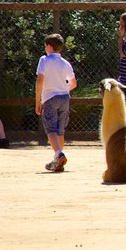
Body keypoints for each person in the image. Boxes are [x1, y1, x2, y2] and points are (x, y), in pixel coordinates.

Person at [36, 33, 77, 172]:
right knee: (60, 130)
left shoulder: (44, 60)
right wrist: (63, 89)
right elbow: (73, 83)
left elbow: (40, 80)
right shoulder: (65, 63)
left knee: (50, 128)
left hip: (50, 97)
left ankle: (59, 154)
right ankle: (57, 159)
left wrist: (38, 100)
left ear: (49, 46)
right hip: (65, 97)